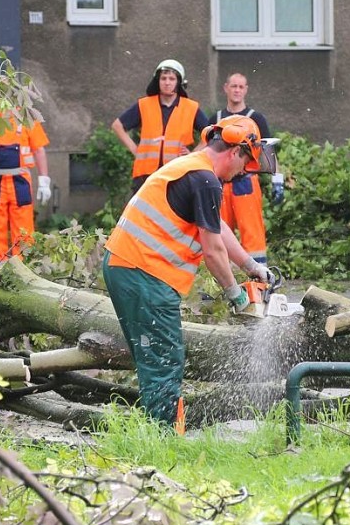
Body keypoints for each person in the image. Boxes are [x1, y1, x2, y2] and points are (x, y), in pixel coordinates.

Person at [102, 114, 279, 425]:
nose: (244, 171)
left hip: (131, 267)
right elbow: (212, 251)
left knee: (155, 359)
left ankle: (155, 431)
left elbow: (217, 227)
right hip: (144, 272)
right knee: (164, 362)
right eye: (246, 161)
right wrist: (236, 297)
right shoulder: (205, 179)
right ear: (235, 152)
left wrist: (251, 266)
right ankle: (165, 437)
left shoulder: (196, 168)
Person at [0, 103, 51, 267]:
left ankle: (24, 268)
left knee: (24, 229)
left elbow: (39, 150)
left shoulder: (27, 118)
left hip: (20, 181)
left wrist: (44, 181)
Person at [112, 59, 210, 194]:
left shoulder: (190, 107)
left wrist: (193, 155)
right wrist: (135, 150)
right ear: (157, 81)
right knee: (142, 214)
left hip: (177, 174)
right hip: (145, 175)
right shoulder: (144, 105)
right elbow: (118, 126)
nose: (167, 82)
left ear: (179, 82)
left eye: (172, 78)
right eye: (163, 78)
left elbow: (211, 133)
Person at [208, 72, 277, 263]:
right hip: (220, 183)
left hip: (245, 182)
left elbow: (268, 152)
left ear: (246, 90)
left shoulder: (256, 119)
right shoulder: (217, 118)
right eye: (233, 86)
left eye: (240, 87)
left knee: (252, 235)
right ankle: (219, 280)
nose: (237, 90)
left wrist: (276, 181)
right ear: (226, 88)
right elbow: (207, 150)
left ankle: (259, 281)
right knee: (217, 232)